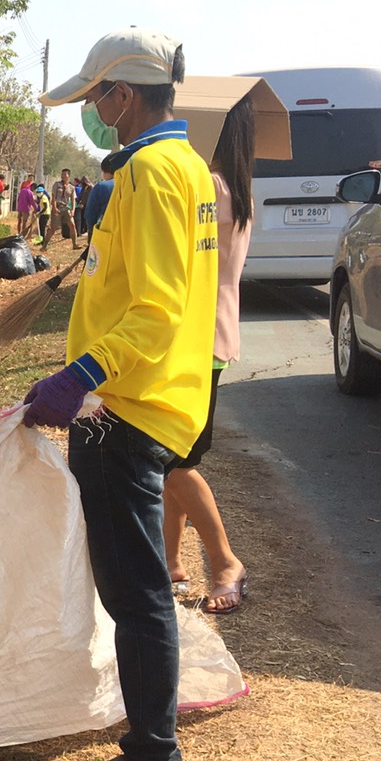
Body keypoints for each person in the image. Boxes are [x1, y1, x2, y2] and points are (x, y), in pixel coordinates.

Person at [24, 26, 218, 761]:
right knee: (134, 586)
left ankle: (151, 759)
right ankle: (151, 744)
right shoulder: (186, 168)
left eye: (95, 97)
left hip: (126, 411)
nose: (92, 114)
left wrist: (83, 376)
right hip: (148, 398)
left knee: (134, 592)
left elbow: (158, 307)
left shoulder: (152, 174)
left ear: (122, 95)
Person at [164, 94, 256, 613]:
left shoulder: (211, 188)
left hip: (196, 340)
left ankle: (224, 562)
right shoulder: (235, 189)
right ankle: (172, 563)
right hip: (210, 337)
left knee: (175, 461)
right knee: (171, 458)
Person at [83, 154, 116, 232]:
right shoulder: (131, 185)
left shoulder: (101, 186)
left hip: (104, 233)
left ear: (104, 171)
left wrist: (91, 230)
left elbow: (90, 213)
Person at [52, 168, 78, 243]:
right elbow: (53, 197)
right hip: (58, 207)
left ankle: (75, 244)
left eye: (64, 174)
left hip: (66, 208)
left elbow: (73, 200)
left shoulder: (72, 187)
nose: (62, 176)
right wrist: (54, 207)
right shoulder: (57, 185)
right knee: (54, 228)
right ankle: (44, 245)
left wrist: (73, 210)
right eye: (62, 174)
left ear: (68, 175)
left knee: (72, 226)